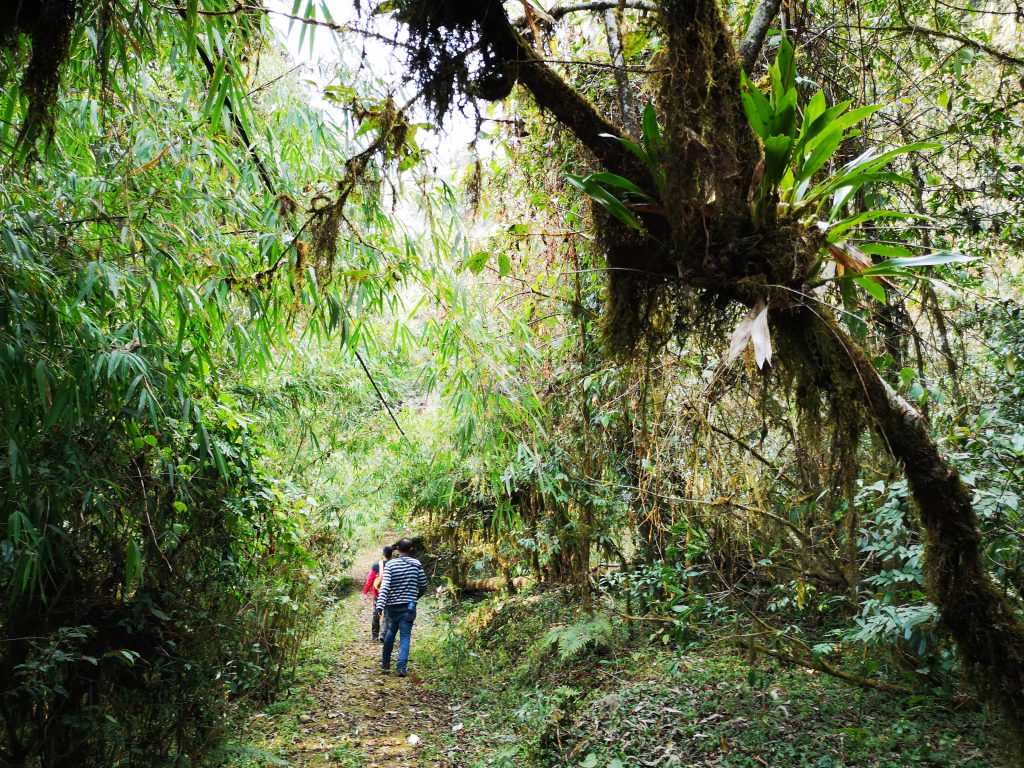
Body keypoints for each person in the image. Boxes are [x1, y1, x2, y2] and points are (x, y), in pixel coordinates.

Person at [375, 538, 427, 676]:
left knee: (391, 632)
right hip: (409, 607)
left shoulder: (391, 565)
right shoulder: (416, 564)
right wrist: (415, 597)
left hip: (393, 607)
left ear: (397, 549)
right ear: (410, 550)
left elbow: (385, 586)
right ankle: (401, 668)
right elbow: (423, 585)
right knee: (405, 637)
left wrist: (379, 605)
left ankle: (385, 664)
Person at [361, 545, 393, 641]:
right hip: (390, 594)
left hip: (377, 594)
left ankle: (375, 635)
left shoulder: (376, 566)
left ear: (383, 554)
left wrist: (364, 592)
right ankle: (383, 635)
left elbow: (370, 580)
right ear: (392, 555)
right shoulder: (394, 565)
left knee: (376, 614)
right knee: (387, 615)